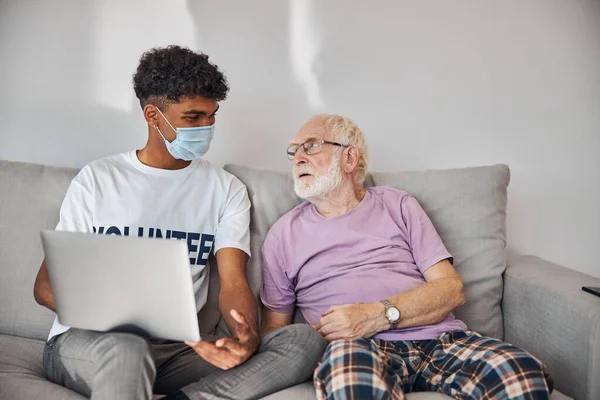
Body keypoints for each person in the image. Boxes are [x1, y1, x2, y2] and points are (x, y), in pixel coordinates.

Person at [33, 45, 325, 400]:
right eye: (193, 117)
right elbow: (46, 286)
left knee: (301, 340)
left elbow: (233, 284)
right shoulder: (98, 179)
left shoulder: (225, 189)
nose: (207, 127)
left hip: (177, 352)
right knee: (128, 348)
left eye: (212, 115)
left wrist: (243, 334)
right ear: (153, 116)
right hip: (92, 344)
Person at [260, 114, 553, 399]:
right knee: (352, 384)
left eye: (311, 146)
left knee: (521, 375)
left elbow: (451, 289)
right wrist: (311, 342)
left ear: (349, 158)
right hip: (354, 347)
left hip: (438, 340)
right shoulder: (282, 234)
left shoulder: (398, 205)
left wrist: (376, 315)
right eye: (293, 150)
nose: (297, 158)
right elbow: (276, 330)